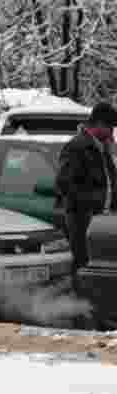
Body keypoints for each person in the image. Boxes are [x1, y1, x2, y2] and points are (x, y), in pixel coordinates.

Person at [55, 102, 117, 286]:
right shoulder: (77, 147)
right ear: (98, 124)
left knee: (99, 265)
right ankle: (79, 305)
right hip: (83, 218)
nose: (112, 133)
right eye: (110, 127)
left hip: (102, 220)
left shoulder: (101, 148)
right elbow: (64, 184)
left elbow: (110, 180)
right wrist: (92, 204)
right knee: (83, 262)